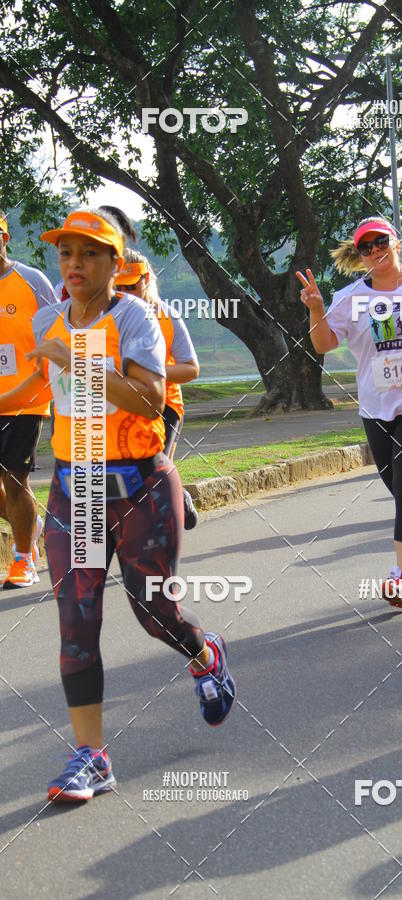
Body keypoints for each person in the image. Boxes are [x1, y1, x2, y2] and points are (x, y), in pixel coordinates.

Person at [0, 209, 235, 801]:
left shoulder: (136, 317)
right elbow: (37, 378)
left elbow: (151, 399)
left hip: (139, 486)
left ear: (114, 262)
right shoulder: (51, 316)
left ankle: (204, 652)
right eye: (65, 254)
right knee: (76, 620)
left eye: (88, 253)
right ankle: (92, 756)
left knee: (154, 613)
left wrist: (76, 359)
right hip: (75, 486)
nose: (73, 264)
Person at [297, 217, 402, 608]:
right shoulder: (349, 297)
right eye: (366, 247)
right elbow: (323, 344)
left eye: (381, 242)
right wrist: (317, 308)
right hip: (377, 408)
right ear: (360, 256)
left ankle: (399, 578)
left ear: (396, 243)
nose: (375, 250)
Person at [115, 249, 200, 529]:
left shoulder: (167, 316)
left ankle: (171, 509)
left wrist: (152, 375)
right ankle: (174, 498)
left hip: (165, 404)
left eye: (132, 285)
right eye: (120, 286)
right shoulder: (106, 319)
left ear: (147, 279)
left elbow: (191, 368)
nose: (127, 292)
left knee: (155, 469)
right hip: (123, 404)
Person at [0, 210, 58, 588]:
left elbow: (60, 339)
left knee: (14, 476)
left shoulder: (31, 280)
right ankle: (33, 526)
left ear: (4, 238)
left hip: (27, 399)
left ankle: (23, 560)